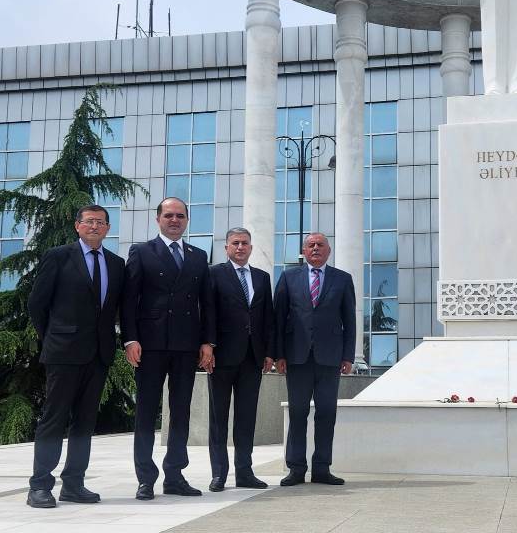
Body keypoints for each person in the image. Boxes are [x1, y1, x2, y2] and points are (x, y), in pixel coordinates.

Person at [26, 204, 125, 508]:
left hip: (98, 354)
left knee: (84, 421)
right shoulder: (58, 256)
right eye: (89, 222)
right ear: (77, 226)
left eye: (101, 223)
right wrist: (55, 337)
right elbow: (37, 304)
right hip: (63, 352)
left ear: (108, 228)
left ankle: (74, 484)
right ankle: (40, 485)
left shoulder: (116, 263)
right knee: (53, 419)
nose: (95, 227)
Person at [122, 197, 213, 500]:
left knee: (181, 412)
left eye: (181, 216)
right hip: (149, 345)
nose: (175, 220)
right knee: (146, 412)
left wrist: (207, 342)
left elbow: (207, 305)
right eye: (169, 215)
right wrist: (130, 339)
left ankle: (175, 475)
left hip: (186, 346)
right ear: (158, 218)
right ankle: (145, 478)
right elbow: (129, 300)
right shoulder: (141, 252)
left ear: (187, 220)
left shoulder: (199, 256)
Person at [273, 232, 355, 486]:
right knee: (298, 413)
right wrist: (279, 355)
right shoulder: (288, 277)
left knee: (327, 412)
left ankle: (322, 468)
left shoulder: (342, 279)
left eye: (320, 245)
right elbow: (278, 319)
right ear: (304, 251)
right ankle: (296, 468)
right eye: (311, 245)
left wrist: (348, 356)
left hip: (330, 358)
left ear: (328, 251)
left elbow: (350, 320)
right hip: (297, 357)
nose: (316, 249)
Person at [201, 227, 274, 491]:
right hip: (220, 356)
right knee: (218, 418)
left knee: (246, 418)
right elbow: (207, 311)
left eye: (245, 243)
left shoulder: (262, 278)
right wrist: (207, 345)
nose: (240, 247)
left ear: (251, 248)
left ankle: (245, 472)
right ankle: (219, 473)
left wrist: (269, 352)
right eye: (235, 243)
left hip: (252, 358)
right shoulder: (213, 274)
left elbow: (268, 318)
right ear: (226, 247)